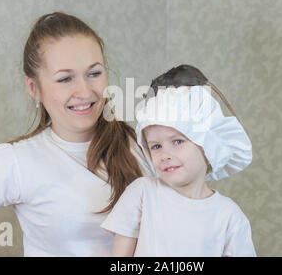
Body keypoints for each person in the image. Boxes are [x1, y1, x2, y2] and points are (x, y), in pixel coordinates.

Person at [0, 12, 154, 256]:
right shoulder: (16, 162)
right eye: (65, 78)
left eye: (94, 73)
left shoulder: (143, 144)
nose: (84, 90)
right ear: (34, 88)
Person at [101, 65, 256, 256]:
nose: (165, 154)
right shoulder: (142, 193)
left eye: (177, 141)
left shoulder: (229, 216)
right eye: (156, 146)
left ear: (207, 145)